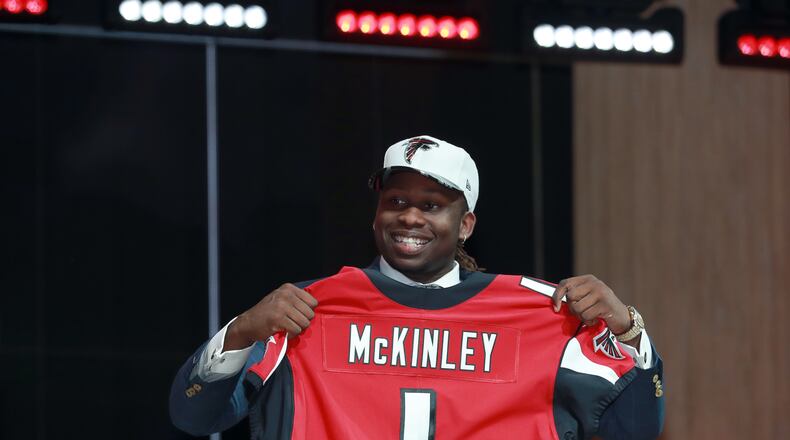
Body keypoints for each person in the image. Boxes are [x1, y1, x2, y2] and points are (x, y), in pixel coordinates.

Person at [170, 135, 664, 439]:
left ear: (465, 223)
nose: (409, 215)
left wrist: (627, 330)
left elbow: (636, 428)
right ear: (376, 212)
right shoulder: (306, 310)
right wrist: (240, 332)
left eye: (431, 205)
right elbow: (193, 416)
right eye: (396, 199)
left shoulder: (544, 315)